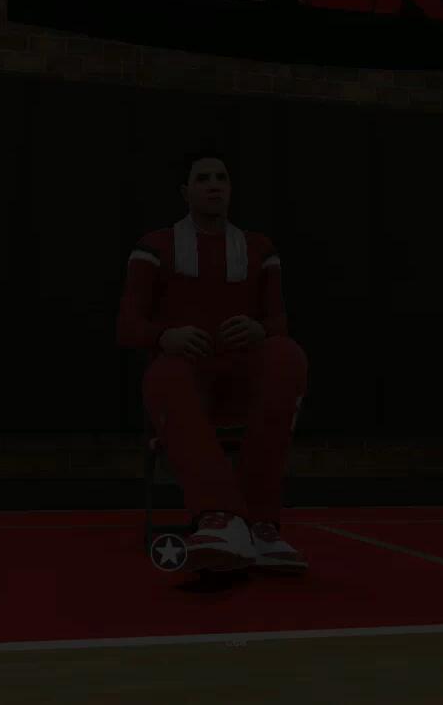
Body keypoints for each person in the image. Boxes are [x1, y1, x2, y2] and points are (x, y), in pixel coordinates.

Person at [116, 151, 309, 573]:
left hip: (243, 380)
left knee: (287, 354)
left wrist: (261, 330)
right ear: (186, 192)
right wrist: (164, 336)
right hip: (187, 381)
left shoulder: (259, 248)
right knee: (165, 370)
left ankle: (259, 525)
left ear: (231, 189)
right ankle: (221, 517)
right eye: (203, 178)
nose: (213, 184)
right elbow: (128, 324)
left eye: (221, 177)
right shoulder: (155, 246)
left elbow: (279, 321)